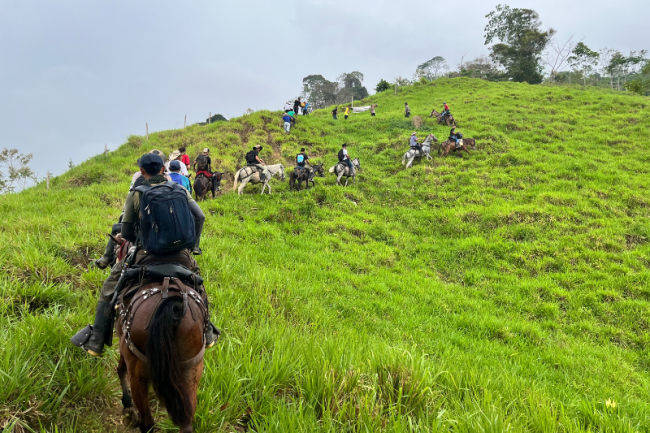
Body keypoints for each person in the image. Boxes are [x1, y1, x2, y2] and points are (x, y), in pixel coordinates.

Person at [72, 153, 219, 357]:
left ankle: (96, 341)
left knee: (109, 288)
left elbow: (125, 233)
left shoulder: (136, 193)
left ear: (142, 172)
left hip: (145, 252)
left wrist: (139, 240)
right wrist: (193, 245)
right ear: (162, 169)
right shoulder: (180, 189)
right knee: (198, 283)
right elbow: (200, 216)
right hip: (180, 253)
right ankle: (209, 333)